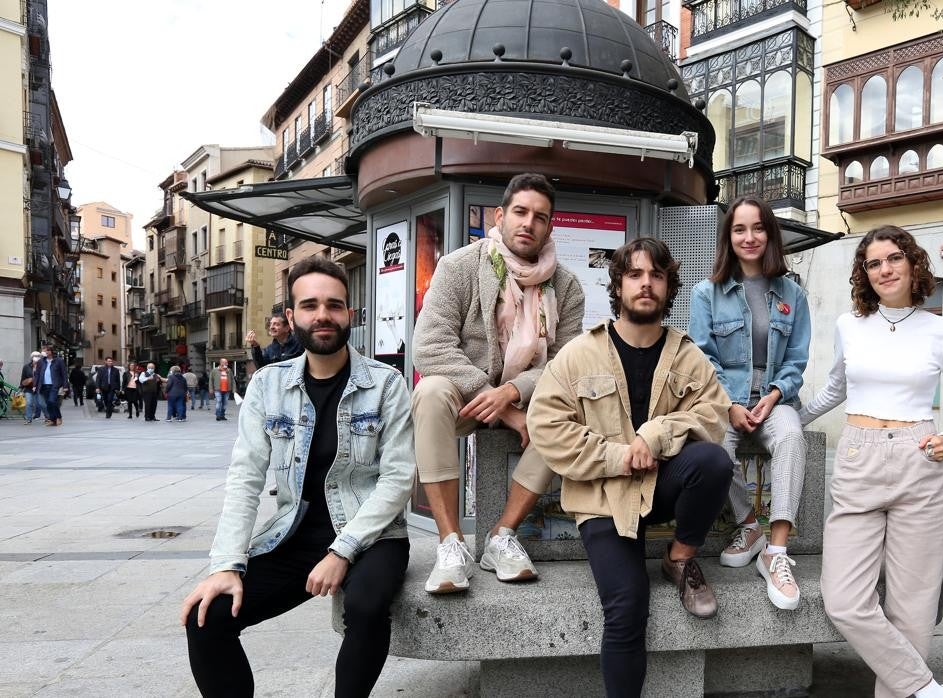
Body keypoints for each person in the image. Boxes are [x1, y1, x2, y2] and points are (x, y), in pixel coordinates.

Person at [180, 256, 416, 697]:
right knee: (207, 617)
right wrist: (226, 565)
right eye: (309, 305)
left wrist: (342, 551)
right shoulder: (269, 385)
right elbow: (245, 479)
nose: (322, 315)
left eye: (334, 305)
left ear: (350, 313)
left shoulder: (386, 384)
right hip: (295, 535)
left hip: (373, 535)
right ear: (291, 316)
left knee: (365, 607)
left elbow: (398, 478)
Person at [529, 238, 733, 698]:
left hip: (661, 488)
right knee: (627, 606)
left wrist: (656, 435)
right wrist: (618, 455)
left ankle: (679, 558)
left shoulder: (686, 355)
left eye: (656, 276)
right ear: (618, 285)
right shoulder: (580, 353)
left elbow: (714, 417)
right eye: (635, 274)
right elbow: (546, 424)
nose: (646, 284)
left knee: (713, 462)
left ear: (668, 287)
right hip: (603, 500)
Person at [802, 225, 943, 698]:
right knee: (843, 599)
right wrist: (785, 416)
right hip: (859, 456)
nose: (884, 269)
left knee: (913, 609)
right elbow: (835, 391)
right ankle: (925, 690)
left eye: (893, 258)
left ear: (913, 263)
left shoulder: (941, 330)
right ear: (864, 273)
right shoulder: (849, 325)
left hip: (919, 457)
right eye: (873, 263)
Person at [410, 173, 585, 593]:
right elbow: (429, 347)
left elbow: (566, 365)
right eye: (520, 213)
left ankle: (501, 536)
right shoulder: (460, 266)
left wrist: (515, 393)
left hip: (526, 400)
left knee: (568, 413)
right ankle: (450, 544)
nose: (528, 223)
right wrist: (495, 399)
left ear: (549, 226)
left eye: (539, 217)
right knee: (430, 391)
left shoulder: (567, 285)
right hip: (466, 397)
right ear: (501, 216)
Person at [688, 196, 810, 611]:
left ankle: (775, 552)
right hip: (726, 399)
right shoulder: (707, 293)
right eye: (739, 229)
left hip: (776, 398)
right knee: (712, 448)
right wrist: (730, 405)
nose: (749, 237)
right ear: (728, 237)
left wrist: (774, 395)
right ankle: (748, 524)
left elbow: (796, 358)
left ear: (770, 234)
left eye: (758, 228)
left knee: (792, 437)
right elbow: (702, 357)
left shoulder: (792, 292)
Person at [33, 345, 68, 427]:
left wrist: (65, 386)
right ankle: (52, 420)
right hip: (44, 385)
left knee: (52, 401)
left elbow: (64, 374)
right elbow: (37, 374)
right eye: (44, 350)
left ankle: (58, 417)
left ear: (51, 352)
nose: (44, 352)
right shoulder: (41, 362)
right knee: (48, 403)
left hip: (54, 385)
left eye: (46, 350)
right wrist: (35, 385)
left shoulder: (59, 361)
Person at [19, 352, 45, 424]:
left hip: (38, 388)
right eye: (34, 356)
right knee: (29, 403)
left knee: (41, 403)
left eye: (37, 356)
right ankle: (28, 419)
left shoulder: (43, 366)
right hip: (28, 388)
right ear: (31, 357)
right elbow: (23, 378)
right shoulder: (26, 367)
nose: (36, 357)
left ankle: (48, 417)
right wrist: (21, 387)